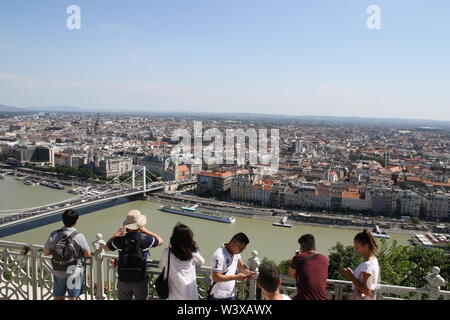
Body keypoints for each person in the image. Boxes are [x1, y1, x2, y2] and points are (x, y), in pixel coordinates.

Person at [104, 209, 164, 300]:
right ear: (140, 226)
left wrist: (116, 234)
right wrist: (146, 231)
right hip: (140, 279)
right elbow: (161, 241)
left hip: (123, 279)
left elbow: (106, 248)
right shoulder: (145, 239)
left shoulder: (119, 240)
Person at [43, 209, 91, 300]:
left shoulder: (54, 234)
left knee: (58, 297)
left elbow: (45, 252)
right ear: (76, 221)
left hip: (58, 270)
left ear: (63, 220)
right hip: (74, 272)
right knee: (72, 298)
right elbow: (88, 254)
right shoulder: (79, 236)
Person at [158, 223, 205, 300]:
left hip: (172, 292)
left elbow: (161, 266)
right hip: (189, 291)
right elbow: (201, 262)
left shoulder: (168, 252)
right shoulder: (192, 252)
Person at [209, 232, 256, 300]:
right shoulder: (219, 255)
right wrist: (236, 277)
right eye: (241, 249)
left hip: (231, 294)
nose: (241, 251)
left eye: (243, 249)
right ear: (233, 245)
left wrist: (248, 272)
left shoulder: (236, 253)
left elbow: (241, 265)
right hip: (218, 296)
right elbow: (216, 277)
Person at [340, 229, 380, 300]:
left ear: (366, 246)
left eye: (357, 247)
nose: (356, 250)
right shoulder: (374, 260)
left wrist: (351, 276)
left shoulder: (367, 265)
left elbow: (367, 291)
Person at [287, 234, 329, 300]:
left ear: (302, 248)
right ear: (314, 247)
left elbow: (290, 274)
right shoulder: (325, 259)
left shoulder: (298, 258)